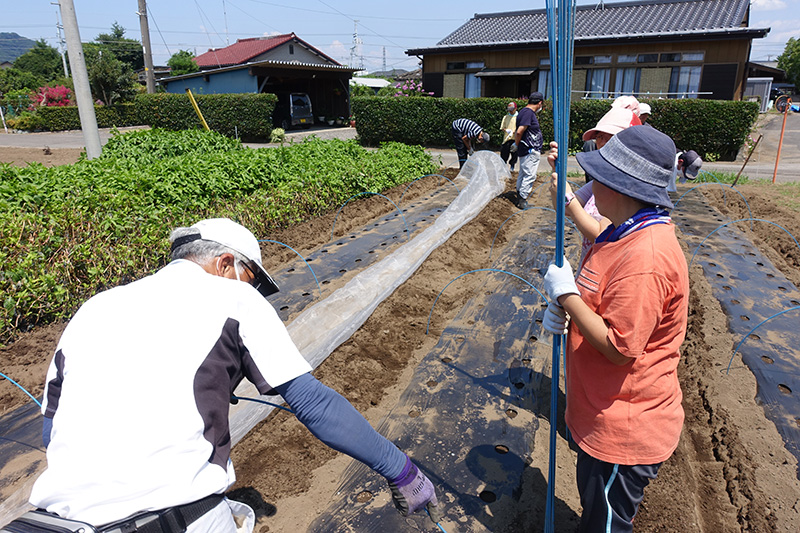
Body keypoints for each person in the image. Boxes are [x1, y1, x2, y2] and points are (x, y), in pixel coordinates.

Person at [27, 218, 440, 532]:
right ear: (226, 263)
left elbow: (53, 433)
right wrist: (401, 470)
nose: (255, 290)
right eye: (255, 279)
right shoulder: (233, 296)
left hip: (56, 521)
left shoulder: (96, 307)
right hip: (173, 519)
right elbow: (314, 404)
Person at [543, 126, 689, 532]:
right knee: (595, 508)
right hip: (602, 410)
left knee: (604, 523)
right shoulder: (622, 231)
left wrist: (566, 296)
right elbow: (605, 308)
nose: (590, 186)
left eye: (597, 178)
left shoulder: (646, 257)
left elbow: (619, 347)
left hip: (624, 429)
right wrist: (568, 312)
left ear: (622, 188)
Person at [550, 107, 640, 262]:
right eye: (599, 136)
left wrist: (568, 199)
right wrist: (556, 172)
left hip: (607, 272)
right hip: (592, 266)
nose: (602, 143)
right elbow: (563, 208)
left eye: (610, 137)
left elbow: (602, 234)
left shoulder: (627, 186)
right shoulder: (601, 181)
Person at [512, 91, 545, 210]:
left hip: (526, 149)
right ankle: (522, 199)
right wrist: (516, 144)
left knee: (524, 172)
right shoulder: (528, 113)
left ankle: (519, 196)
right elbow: (520, 131)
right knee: (530, 175)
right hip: (529, 149)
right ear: (540, 103)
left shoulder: (523, 112)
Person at [500, 101, 519, 171]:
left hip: (515, 139)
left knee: (514, 154)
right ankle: (504, 167)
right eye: (509, 110)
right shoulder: (505, 117)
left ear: (515, 108)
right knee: (504, 153)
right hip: (507, 138)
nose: (510, 112)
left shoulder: (518, 117)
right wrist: (506, 130)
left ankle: (512, 166)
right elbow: (502, 127)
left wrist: (515, 131)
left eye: (512, 110)